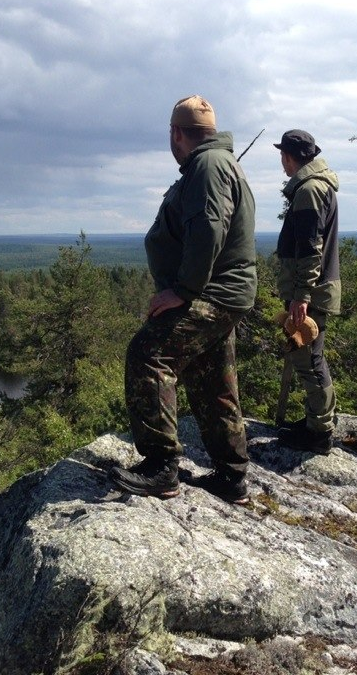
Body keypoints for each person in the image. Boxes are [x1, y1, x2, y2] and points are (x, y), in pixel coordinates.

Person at [109, 95, 257, 504]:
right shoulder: (214, 164)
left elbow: (209, 228)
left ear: (176, 133)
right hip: (224, 293)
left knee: (149, 353)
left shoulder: (208, 166)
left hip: (212, 293)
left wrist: (184, 291)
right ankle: (232, 476)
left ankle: (161, 467)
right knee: (214, 380)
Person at [273, 130, 340, 455]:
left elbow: (311, 249)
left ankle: (320, 432)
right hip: (314, 291)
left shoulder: (310, 191)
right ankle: (318, 420)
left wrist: (301, 295)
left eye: (282, 156)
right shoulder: (316, 187)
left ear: (289, 156)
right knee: (311, 357)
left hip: (310, 293)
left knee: (308, 358)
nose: (282, 163)